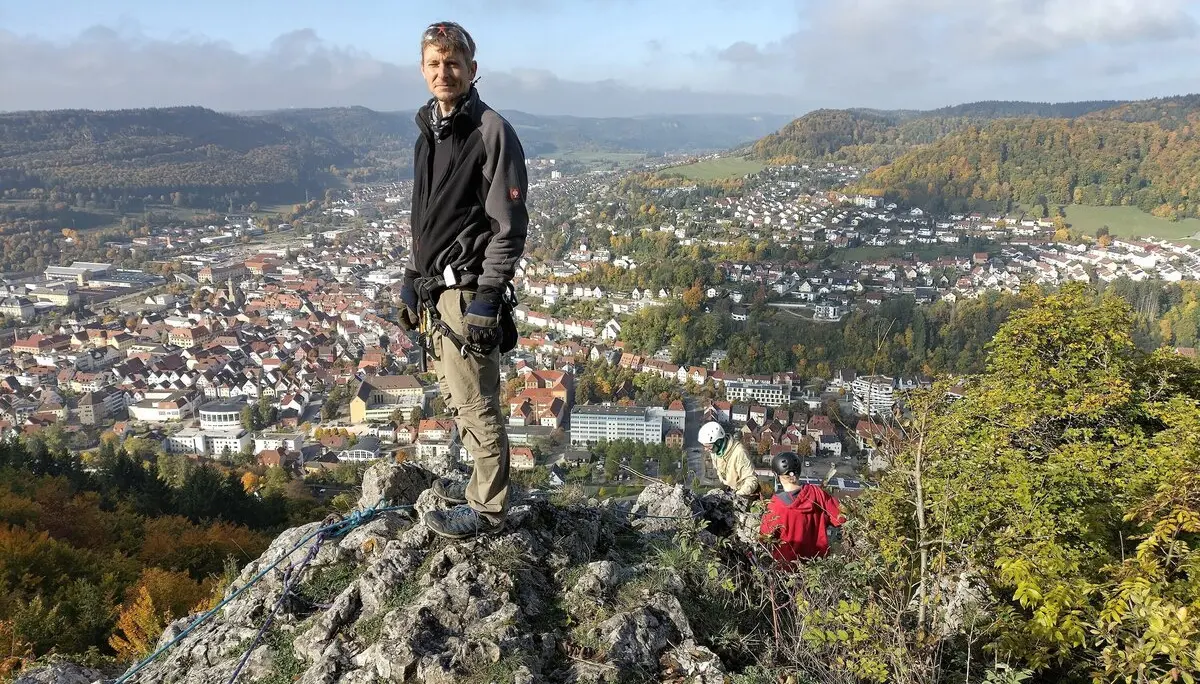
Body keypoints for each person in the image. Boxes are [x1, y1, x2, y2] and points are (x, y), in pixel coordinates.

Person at [397, 21, 529, 539]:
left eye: (453, 63)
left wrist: (488, 297)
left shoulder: (490, 131)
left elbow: (508, 227)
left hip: (469, 290)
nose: (443, 72)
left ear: (472, 69)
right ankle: (479, 482)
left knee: (476, 402)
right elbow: (425, 219)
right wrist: (413, 276)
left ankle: (488, 509)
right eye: (434, 63)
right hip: (439, 291)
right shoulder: (428, 133)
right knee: (457, 396)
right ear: (422, 70)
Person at [760, 452, 845, 564]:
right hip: (818, 565)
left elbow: (764, 538)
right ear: (799, 472)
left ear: (777, 476)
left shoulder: (775, 505)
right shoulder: (817, 493)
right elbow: (841, 518)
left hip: (788, 567)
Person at [698, 421, 759, 498]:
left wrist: (737, 496)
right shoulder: (715, 451)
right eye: (704, 446)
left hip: (741, 493)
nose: (706, 449)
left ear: (718, 442)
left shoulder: (739, 452)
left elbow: (751, 480)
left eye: (709, 446)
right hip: (729, 490)